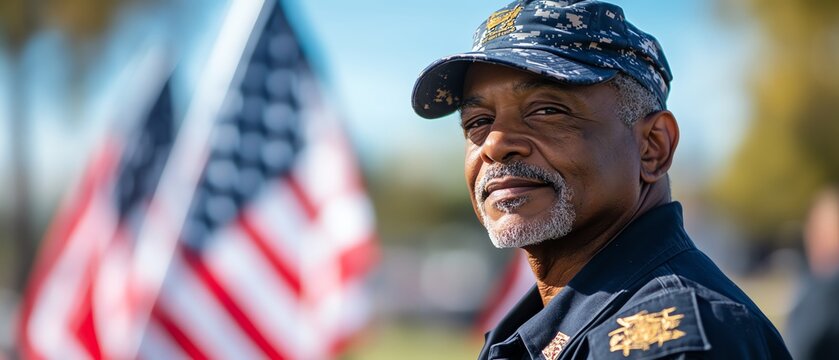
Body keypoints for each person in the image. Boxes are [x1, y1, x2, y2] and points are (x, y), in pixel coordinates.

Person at [410, 0, 791, 359]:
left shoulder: (666, 341)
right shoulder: (558, 323)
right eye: (478, 122)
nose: (495, 144)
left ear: (652, 147)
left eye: (546, 110)